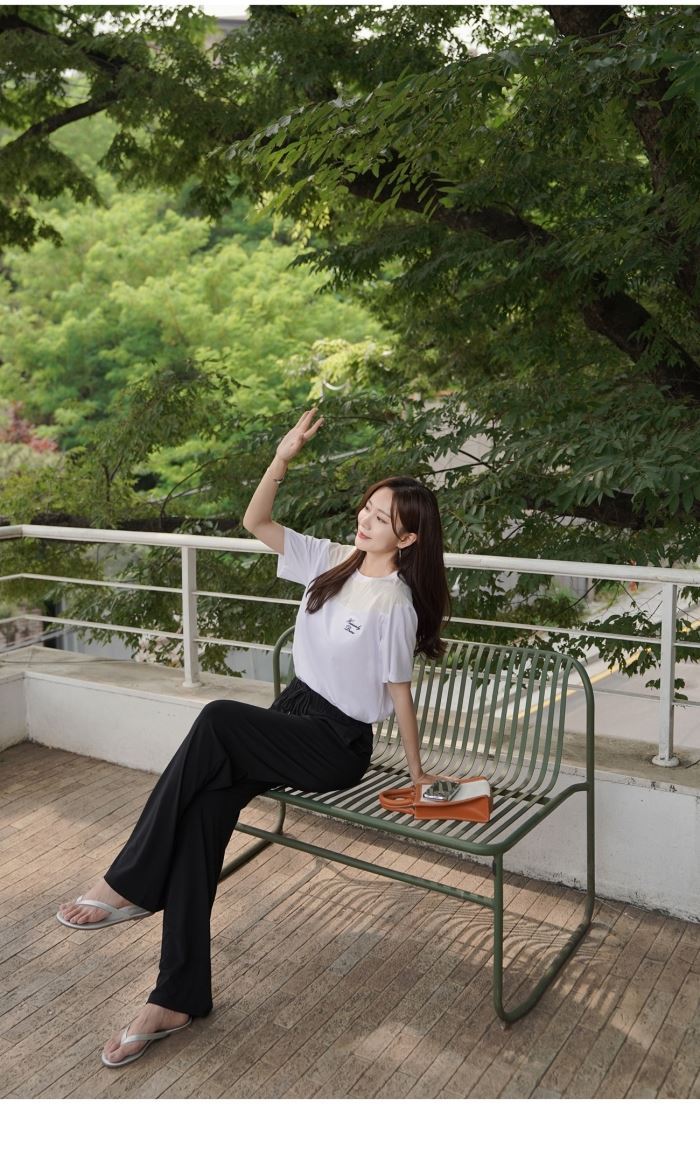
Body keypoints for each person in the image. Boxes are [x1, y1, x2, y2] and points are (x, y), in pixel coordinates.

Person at [56, 407, 451, 1067]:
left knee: (217, 718)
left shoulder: (395, 604)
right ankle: (175, 997)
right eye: (367, 507)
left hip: (334, 743)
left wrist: (416, 776)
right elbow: (256, 522)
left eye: (382, 518)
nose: (365, 519)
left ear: (407, 538)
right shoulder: (333, 560)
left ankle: (130, 882)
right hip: (292, 714)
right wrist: (282, 457)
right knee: (204, 814)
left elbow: (399, 695)